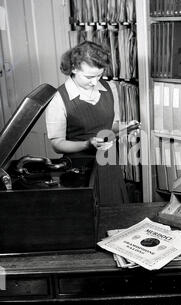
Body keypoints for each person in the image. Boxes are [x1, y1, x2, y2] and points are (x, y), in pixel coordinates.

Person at [46, 41, 129, 204]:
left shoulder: (109, 88)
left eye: (99, 75)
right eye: (89, 77)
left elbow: (111, 126)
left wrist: (125, 128)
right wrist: (86, 144)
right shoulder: (58, 99)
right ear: (74, 68)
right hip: (80, 170)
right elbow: (57, 144)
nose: (94, 81)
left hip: (109, 165)